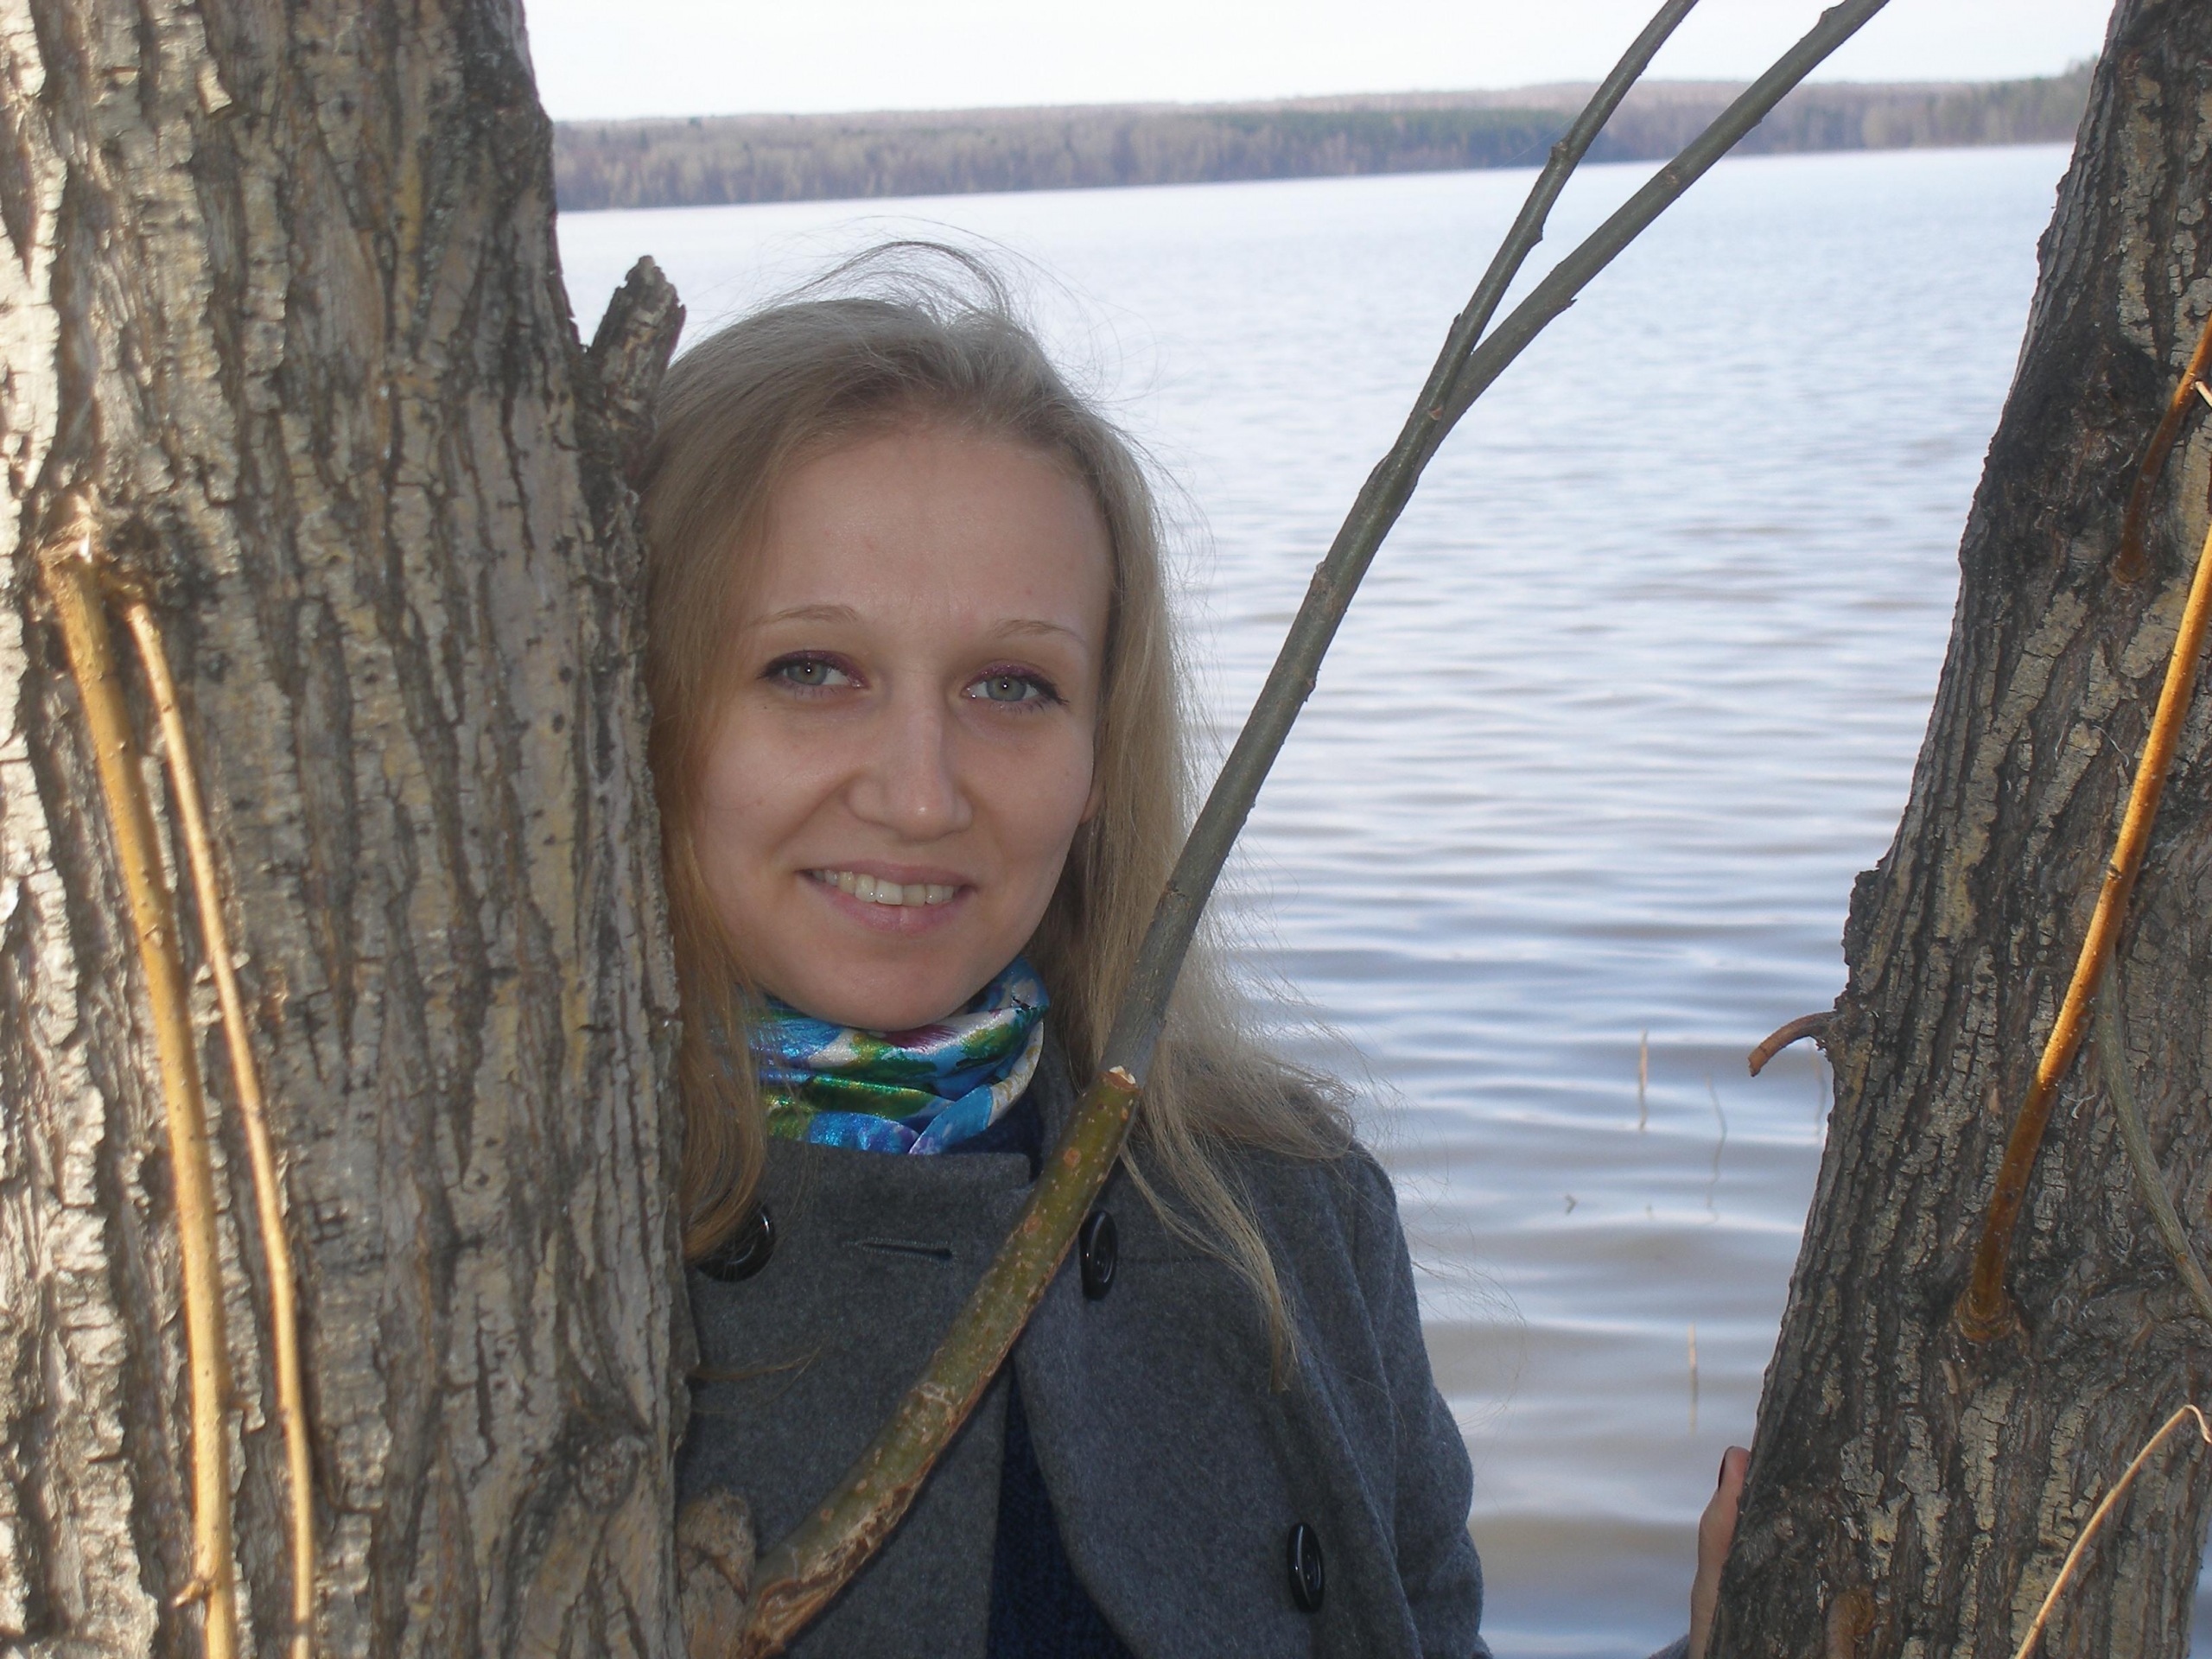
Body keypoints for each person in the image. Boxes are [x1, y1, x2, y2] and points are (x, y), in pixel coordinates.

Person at [639, 245, 1743, 1658]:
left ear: (1100, 757)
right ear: (642, 699)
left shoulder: (1281, 1216)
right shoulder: (541, 1252)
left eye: (1011, 686)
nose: (919, 795)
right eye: (811, 670)